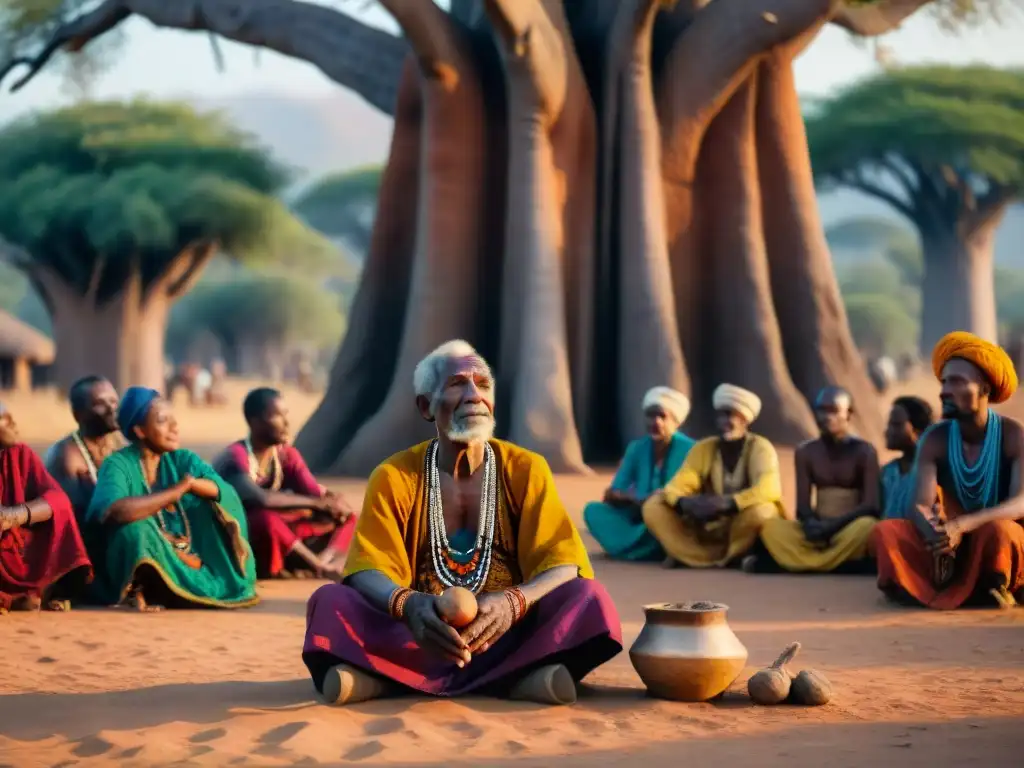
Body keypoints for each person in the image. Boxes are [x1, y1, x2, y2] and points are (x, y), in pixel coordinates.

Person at [302, 340, 622, 706]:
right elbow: (365, 569)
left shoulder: (526, 468)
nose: (474, 395)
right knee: (329, 601)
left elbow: (564, 563)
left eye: (483, 385)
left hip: (507, 633)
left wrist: (514, 602)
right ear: (426, 406)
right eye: (457, 384)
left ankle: (382, 681)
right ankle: (523, 680)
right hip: (419, 634)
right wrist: (411, 605)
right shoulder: (393, 475)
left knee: (589, 598)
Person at [871, 331, 1024, 609]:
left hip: (992, 538)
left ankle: (994, 585)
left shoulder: (1014, 435)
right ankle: (936, 583)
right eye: (943, 382)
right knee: (887, 532)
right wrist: (937, 535)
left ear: (985, 389)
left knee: (1000, 532)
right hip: (950, 542)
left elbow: (1019, 503)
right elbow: (919, 504)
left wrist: (963, 525)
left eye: (956, 382)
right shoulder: (934, 438)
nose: (943, 391)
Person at [84, 387, 259, 611]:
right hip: (134, 556)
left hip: (185, 551)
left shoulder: (182, 459)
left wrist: (192, 485)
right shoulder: (118, 464)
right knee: (135, 529)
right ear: (140, 430)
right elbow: (114, 511)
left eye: (174, 420)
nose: (174, 427)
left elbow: (224, 490)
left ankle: (176, 585)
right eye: (163, 420)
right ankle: (140, 589)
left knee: (210, 509)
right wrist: (176, 491)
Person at [215, 388, 357, 579]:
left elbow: (315, 494)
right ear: (254, 422)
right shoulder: (235, 457)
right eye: (276, 416)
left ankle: (326, 560)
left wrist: (332, 503)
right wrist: (316, 503)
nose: (286, 423)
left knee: (346, 516)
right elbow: (261, 499)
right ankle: (318, 567)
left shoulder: (285, 455)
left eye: (285, 415)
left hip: (280, 536)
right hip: (240, 538)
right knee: (266, 519)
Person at [641, 383, 785, 569]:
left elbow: (769, 488)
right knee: (654, 505)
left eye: (730, 415)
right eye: (720, 415)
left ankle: (735, 555)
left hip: (741, 523)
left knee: (763, 510)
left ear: (745, 420)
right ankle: (693, 556)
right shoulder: (704, 447)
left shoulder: (760, 447)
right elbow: (679, 483)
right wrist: (684, 502)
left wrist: (729, 503)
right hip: (706, 522)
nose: (724, 422)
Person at [747, 387, 880, 574]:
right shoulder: (806, 452)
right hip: (818, 531)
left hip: (848, 529)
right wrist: (811, 524)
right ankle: (838, 565)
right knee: (771, 527)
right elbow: (802, 506)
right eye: (821, 410)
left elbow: (870, 505)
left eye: (833, 411)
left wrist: (833, 526)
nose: (826, 417)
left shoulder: (865, 451)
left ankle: (797, 564)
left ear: (848, 414)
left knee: (868, 526)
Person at [583, 387, 695, 561]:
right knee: (593, 511)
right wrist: (634, 499)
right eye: (650, 416)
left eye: (662, 416)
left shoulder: (691, 449)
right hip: (636, 514)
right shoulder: (637, 448)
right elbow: (615, 489)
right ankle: (646, 549)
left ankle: (629, 549)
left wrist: (653, 501)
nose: (655, 422)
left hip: (671, 515)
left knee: (661, 517)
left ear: (676, 421)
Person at [0, 402, 92, 612]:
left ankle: (33, 592)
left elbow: (58, 498)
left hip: (12, 541)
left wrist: (14, 515)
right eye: (5, 418)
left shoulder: (20, 453)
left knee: (59, 511)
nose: (14, 424)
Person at [45, 376, 127, 521]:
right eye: (99, 404)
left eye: (114, 401)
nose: (111, 409)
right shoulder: (67, 456)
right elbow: (77, 514)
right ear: (78, 415)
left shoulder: (120, 444)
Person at [879, 396, 935, 520]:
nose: (888, 431)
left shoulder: (932, 474)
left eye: (896, 424)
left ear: (918, 431)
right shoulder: (887, 472)